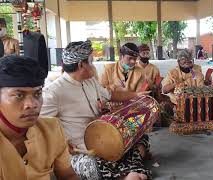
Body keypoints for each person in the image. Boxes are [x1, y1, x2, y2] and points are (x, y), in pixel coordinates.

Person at [41, 41, 151, 180]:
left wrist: (136, 95)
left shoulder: (90, 81)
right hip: (82, 151)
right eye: (91, 61)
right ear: (81, 64)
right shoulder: (54, 92)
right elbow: (41, 126)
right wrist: (61, 144)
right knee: (90, 165)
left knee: (140, 137)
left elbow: (111, 95)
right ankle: (126, 173)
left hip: (103, 139)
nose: (93, 65)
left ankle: (126, 171)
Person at [0, 55, 78, 179]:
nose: (32, 104)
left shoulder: (52, 129)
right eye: (19, 95)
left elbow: (68, 175)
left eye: (37, 94)